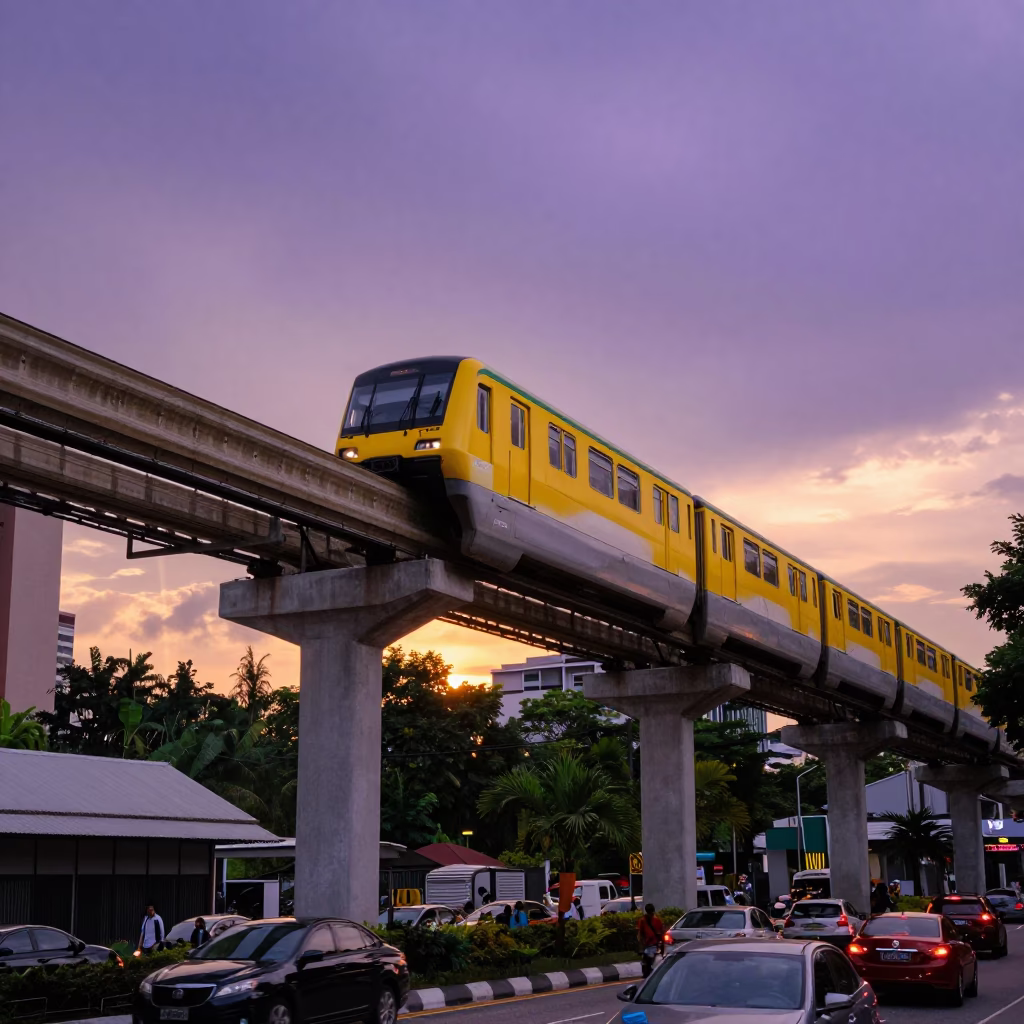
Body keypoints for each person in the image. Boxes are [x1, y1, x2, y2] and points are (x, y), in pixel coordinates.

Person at [636, 903, 665, 978]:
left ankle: (647, 973)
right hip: (653, 944)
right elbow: (662, 932)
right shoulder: (657, 920)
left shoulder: (643, 920)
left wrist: (640, 944)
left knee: (647, 960)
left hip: (649, 944)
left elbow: (639, 934)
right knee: (649, 960)